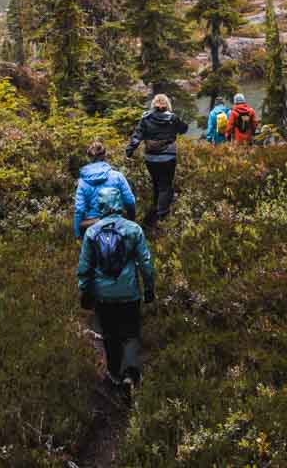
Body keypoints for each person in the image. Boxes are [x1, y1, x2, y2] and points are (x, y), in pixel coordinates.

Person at [77, 186, 155, 388]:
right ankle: (130, 373)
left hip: (104, 296)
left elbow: (85, 266)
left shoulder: (92, 232)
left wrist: (85, 290)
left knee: (110, 335)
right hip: (129, 293)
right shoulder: (133, 229)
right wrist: (149, 288)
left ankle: (114, 374)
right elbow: (145, 262)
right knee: (130, 333)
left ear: (101, 206)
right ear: (119, 203)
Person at [125, 93, 188, 223]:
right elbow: (183, 129)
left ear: (153, 104)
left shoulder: (146, 118)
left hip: (151, 158)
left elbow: (137, 135)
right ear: (167, 104)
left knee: (156, 183)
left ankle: (154, 211)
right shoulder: (173, 118)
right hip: (168, 157)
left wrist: (129, 151)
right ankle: (162, 216)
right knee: (165, 186)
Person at [73, 140, 137, 237]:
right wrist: (132, 222)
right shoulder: (117, 176)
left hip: (92, 227)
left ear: (89, 157)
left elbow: (79, 210)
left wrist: (78, 234)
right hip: (116, 224)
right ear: (105, 155)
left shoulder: (83, 182)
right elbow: (130, 201)